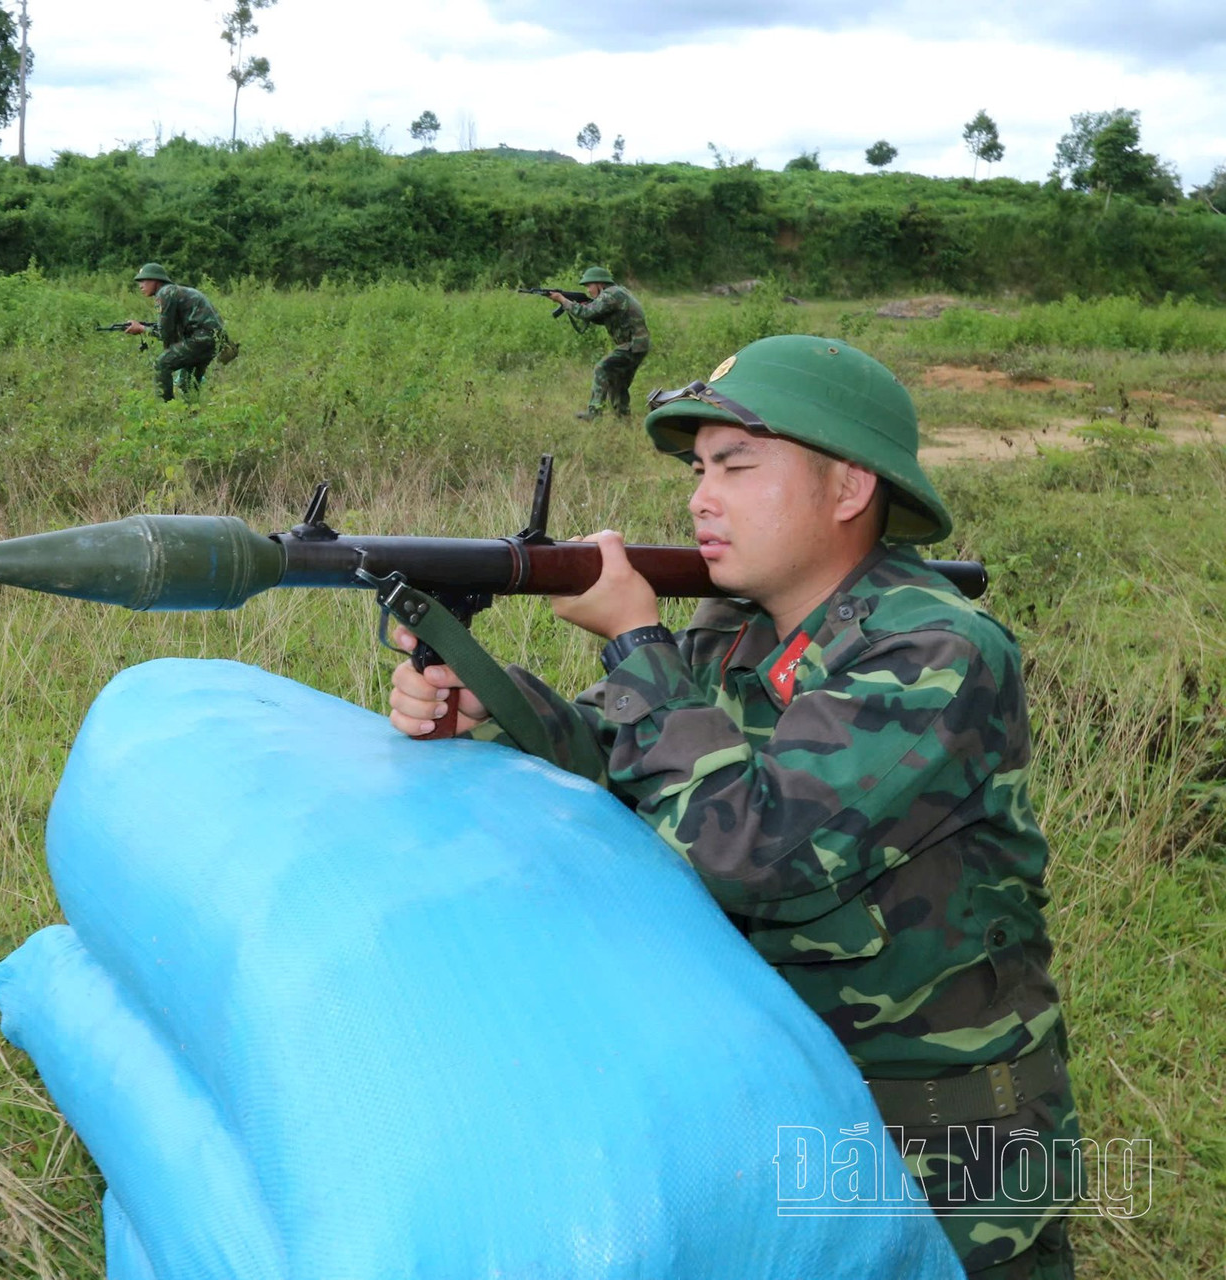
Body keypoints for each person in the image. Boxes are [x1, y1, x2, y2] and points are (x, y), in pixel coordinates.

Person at [387, 335, 1078, 1279]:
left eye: (737, 468)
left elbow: (757, 847)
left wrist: (636, 641)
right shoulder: (736, 627)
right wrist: (487, 702)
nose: (700, 498)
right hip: (776, 1093)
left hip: (944, 1141)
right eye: (699, 469)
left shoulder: (934, 654)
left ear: (848, 490)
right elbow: (622, 758)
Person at [549, 266, 649, 420]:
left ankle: (594, 412)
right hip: (638, 344)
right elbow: (602, 318)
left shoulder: (611, 294)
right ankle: (623, 418)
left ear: (600, 284)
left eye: (589, 285)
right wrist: (580, 306)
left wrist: (562, 300)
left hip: (632, 344)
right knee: (618, 381)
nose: (588, 290)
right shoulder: (617, 292)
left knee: (601, 369)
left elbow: (587, 313)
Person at [121, 262, 226, 402]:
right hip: (210, 340)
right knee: (186, 383)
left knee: (162, 364)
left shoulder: (165, 293)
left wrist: (141, 329)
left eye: (144, 280)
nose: (141, 285)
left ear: (156, 280)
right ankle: (191, 416)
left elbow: (164, 333)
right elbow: (172, 332)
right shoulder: (173, 291)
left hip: (202, 339)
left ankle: (166, 410)